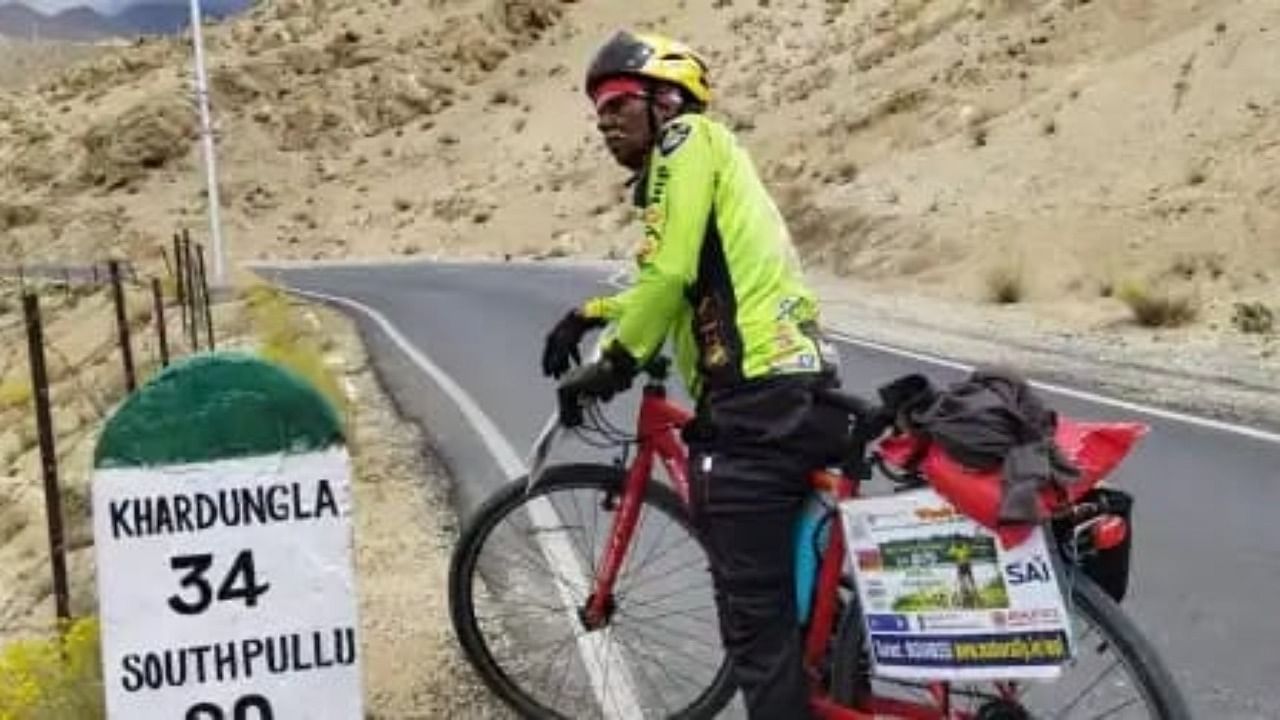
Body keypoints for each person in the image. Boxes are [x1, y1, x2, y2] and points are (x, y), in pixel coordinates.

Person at [540, 30, 850, 718]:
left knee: (753, 626)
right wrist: (590, 311)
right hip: (790, 391)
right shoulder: (704, 168)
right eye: (598, 113)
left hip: (757, 403)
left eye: (619, 101)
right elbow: (672, 283)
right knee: (791, 594)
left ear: (667, 101)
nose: (606, 121)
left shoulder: (687, 143)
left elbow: (671, 272)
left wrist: (615, 365)